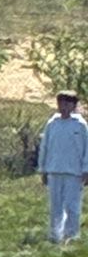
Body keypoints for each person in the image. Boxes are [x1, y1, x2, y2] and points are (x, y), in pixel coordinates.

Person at [36, 90, 88, 245]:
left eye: (67, 103)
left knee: (72, 206)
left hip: (74, 172)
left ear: (73, 105)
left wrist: (86, 169)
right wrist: (43, 169)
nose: (63, 106)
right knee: (55, 206)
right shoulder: (52, 124)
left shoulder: (80, 125)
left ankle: (71, 235)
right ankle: (55, 235)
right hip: (54, 170)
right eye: (60, 103)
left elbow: (86, 149)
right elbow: (45, 147)